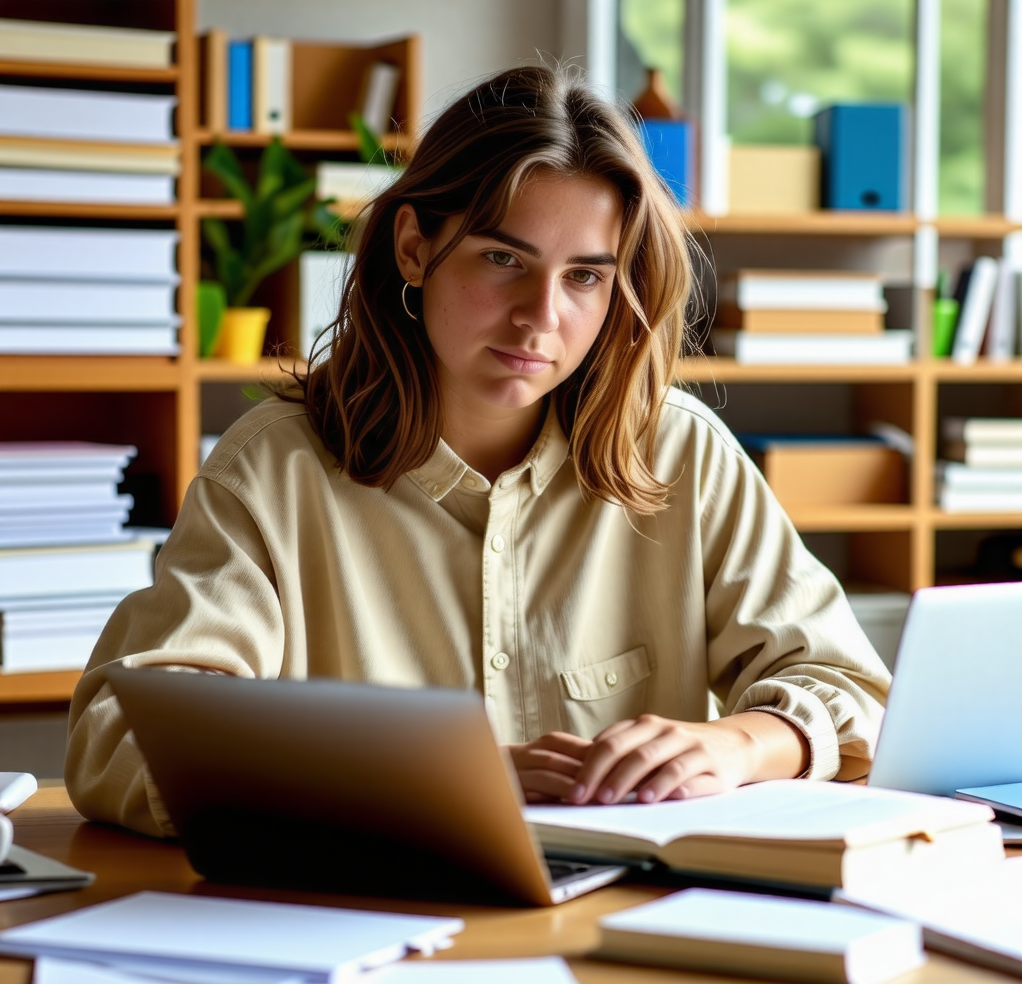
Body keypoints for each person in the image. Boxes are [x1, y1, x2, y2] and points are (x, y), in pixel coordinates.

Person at [65, 64, 889, 838]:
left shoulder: (680, 452)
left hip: (625, 937)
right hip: (366, 926)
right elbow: (118, 739)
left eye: (585, 278)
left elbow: (853, 689)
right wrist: (438, 779)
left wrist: (741, 745)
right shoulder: (272, 469)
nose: (542, 318)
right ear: (415, 248)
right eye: (504, 259)